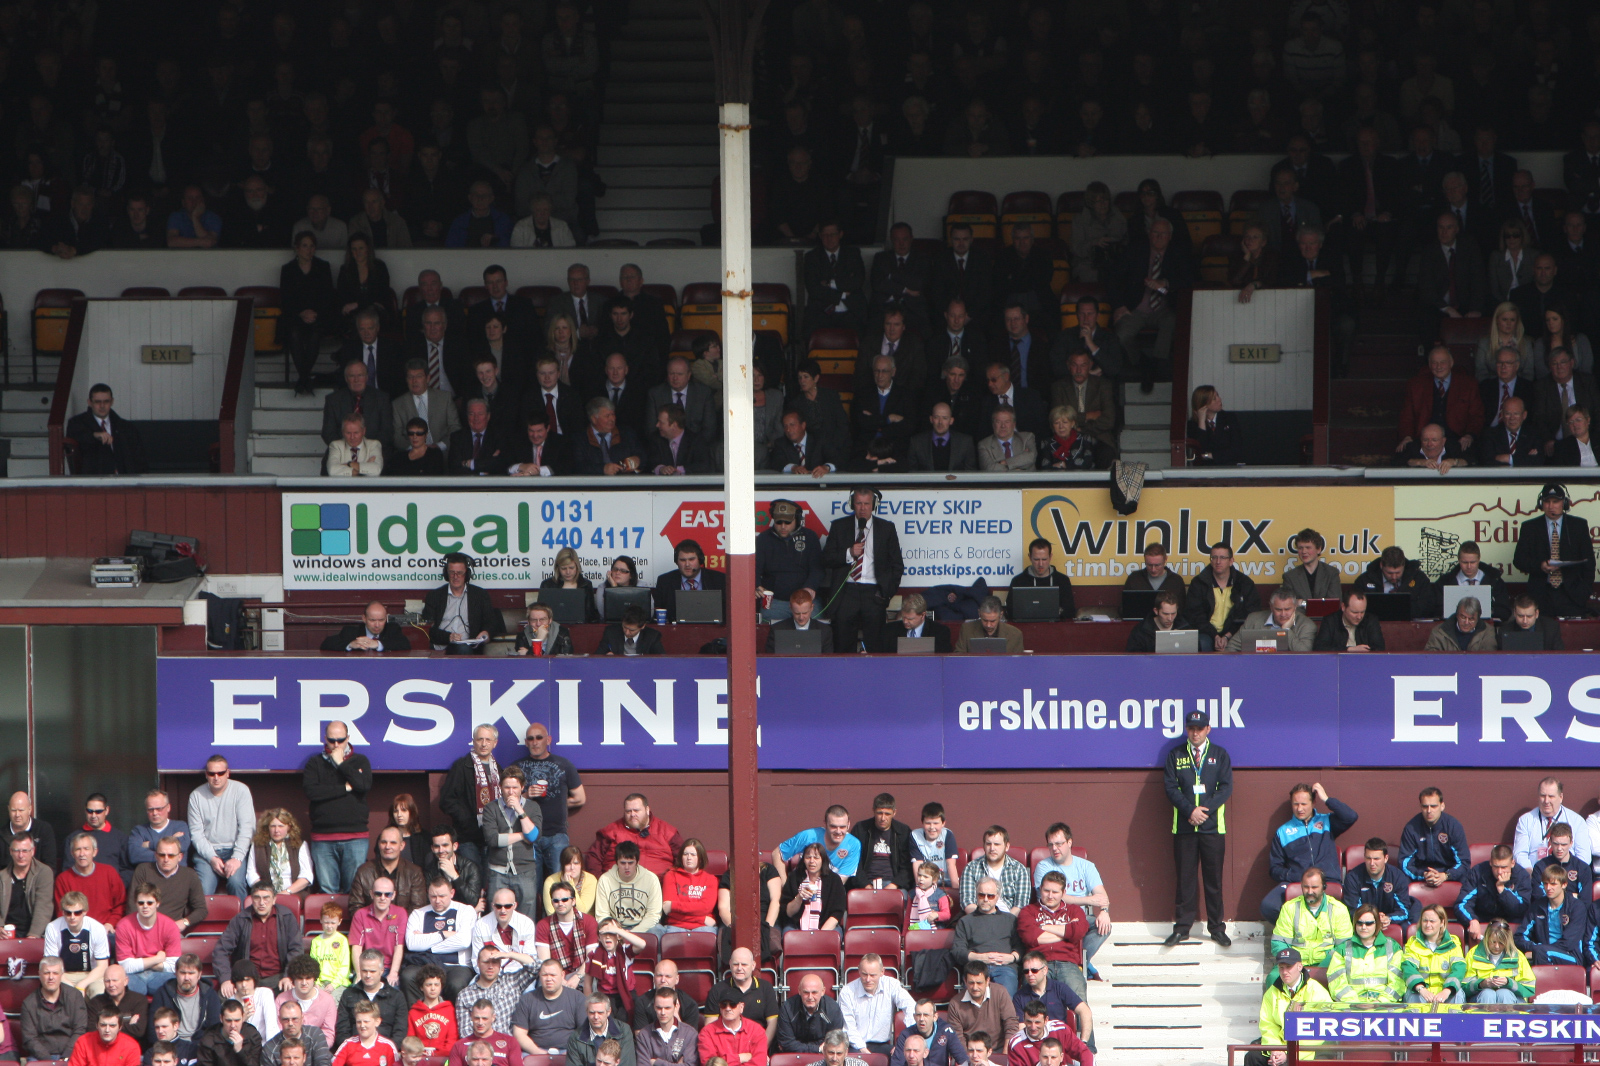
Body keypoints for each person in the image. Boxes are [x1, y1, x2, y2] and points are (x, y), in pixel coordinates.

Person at [1164, 710, 1232, 947]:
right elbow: (1171, 788)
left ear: (1208, 729)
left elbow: (1225, 788)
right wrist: (1189, 811)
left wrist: (1203, 810)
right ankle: (1182, 928)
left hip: (1213, 828)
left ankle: (1216, 928)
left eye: (1199, 728)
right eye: (1191, 728)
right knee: (1185, 881)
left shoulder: (1219, 755)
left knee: (1214, 881)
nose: (1195, 732)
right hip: (1183, 828)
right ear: (1186, 729)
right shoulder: (1175, 755)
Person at [1261, 783, 1358, 926]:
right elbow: (1275, 868)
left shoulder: (1326, 822)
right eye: (1295, 804)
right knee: (1268, 906)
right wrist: (1294, 876)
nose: (1299, 809)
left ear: (1313, 803)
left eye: (1304, 804)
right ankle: (1302, 931)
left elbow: (1351, 816)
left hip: (1328, 881)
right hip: (1297, 883)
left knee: (1353, 909)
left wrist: (1326, 798)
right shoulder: (1283, 832)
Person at [821, 488, 903, 654]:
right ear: (852, 504)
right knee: (843, 641)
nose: (863, 508)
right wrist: (849, 553)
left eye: (866, 503)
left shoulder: (886, 528)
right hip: (847, 591)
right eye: (859, 503)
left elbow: (897, 564)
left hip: (874, 592)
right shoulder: (839, 526)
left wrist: (886, 592)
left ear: (873, 505)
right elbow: (826, 559)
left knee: (874, 643)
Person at [1514, 483, 1595, 618]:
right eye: (1547, 502)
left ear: (1564, 503)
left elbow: (1589, 562)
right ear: (1541, 504)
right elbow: (1519, 560)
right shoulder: (1530, 527)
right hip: (1541, 594)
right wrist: (1540, 566)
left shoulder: (1578, 526)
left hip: (1572, 594)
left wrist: (1584, 591)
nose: (1551, 506)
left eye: (1555, 501)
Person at [1244, 948, 1329, 1066]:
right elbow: (1268, 1025)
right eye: (1281, 967)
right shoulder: (1272, 992)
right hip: (1280, 1046)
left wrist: (1289, 1054)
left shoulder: (1317, 991)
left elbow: (1319, 1032)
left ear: (1300, 966)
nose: (1284, 972)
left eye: (1289, 967)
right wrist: (1275, 1049)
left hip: (1305, 1050)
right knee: (1252, 1057)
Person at [1397, 345, 1486, 456]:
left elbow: (1476, 415)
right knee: (1403, 454)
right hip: (1424, 440)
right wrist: (1407, 437)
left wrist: (1470, 435)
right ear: (1429, 365)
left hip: (1457, 439)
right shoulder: (1416, 385)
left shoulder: (1468, 384)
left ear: (1451, 363)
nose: (1438, 367)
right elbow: (1407, 416)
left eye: (1443, 362)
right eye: (1434, 363)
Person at [215, 883, 300, 996]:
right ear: (251, 899)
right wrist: (226, 979)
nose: (261, 903)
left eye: (266, 898)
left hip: (278, 978)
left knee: (296, 995)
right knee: (222, 996)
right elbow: (221, 950)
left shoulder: (287, 917)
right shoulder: (241, 919)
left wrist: (289, 975)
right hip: (246, 980)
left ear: (274, 899)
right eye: (257, 898)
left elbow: (296, 949)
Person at [1015, 874, 1088, 1003]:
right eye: (1046, 890)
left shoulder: (1074, 911)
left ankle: (1080, 1024)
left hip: (1068, 963)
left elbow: (1079, 932)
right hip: (1037, 963)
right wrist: (1067, 931)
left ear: (1063, 892)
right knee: (1032, 1003)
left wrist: (1042, 927)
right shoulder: (1028, 911)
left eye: (1055, 892)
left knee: (1079, 1000)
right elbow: (1030, 937)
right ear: (1040, 889)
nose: (1050, 896)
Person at [481, 768, 541, 921]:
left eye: (515, 787)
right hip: (498, 871)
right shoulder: (491, 808)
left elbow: (534, 836)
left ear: (522, 787)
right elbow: (493, 840)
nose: (511, 792)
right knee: (497, 916)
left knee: (526, 916)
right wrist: (522, 835)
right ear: (500, 787)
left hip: (525, 871)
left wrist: (520, 810)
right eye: (507, 787)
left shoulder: (532, 807)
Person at [754, 500, 825, 624]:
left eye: (787, 522)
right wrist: (756, 585)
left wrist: (810, 587)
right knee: (765, 628)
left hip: (805, 599)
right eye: (778, 522)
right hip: (775, 600)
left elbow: (817, 568)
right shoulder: (764, 539)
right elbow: (754, 567)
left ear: (797, 520)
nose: (783, 526)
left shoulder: (810, 537)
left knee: (817, 628)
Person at [1268, 868, 1351, 971]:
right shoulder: (1289, 908)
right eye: (1306, 887)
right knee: (1273, 977)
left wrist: (1324, 966)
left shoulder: (1339, 909)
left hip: (1329, 964)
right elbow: (1279, 943)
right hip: (1295, 964)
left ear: (1324, 887)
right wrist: (1291, 963)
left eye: (1314, 887)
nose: (1310, 891)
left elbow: (1345, 945)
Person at [422, 553, 504, 652]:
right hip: (439, 647)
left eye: (460, 573)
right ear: (446, 573)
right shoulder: (434, 596)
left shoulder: (480, 595)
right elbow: (427, 628)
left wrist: (486, 633)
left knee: (463, 650)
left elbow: (491, 622)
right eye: (452, 572)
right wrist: (448, 637)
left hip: (467, 647)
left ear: (467, 574)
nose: (455, 577)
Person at [586, 794, 682, 878]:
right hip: (618, 888)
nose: (632, 814)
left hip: (659, 889)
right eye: (628, 811)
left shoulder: (667, 831)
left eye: (636, 810)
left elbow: (683, 859)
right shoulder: (610, 832)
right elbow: (594, 858)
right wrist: (600, 884)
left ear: (647, 810)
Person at [1184, 543, 1255, 654]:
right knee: (1201, 643)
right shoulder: (1199, 583)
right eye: (1214, 557)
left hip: (1236, 632)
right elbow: (1195, 615)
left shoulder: (1244, 583)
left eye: (1222, 557)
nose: (1218, 561)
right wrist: (1215, 636)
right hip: (1206, 633)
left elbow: (1250, 614)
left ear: (1231, 561)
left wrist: (1227, 636)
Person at [836, 955, 912, 1056]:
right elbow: (848, 1027)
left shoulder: (892, 985)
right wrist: (863, 1050)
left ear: (882, 972)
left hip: (883, 1045)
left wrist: (908, 1039)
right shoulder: (847, 992)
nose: (868, 979)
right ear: (859, 970)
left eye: (872, 975)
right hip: (854, 1046)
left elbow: (911, 1008)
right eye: (864, 974)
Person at [1326, 905, 1403, 1003]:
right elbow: (1336, 983)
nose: (1363, 927)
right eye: (1359, 923)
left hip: (1385, 1007)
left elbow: (1398, 982)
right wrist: (1355, 1004)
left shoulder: (1393, 947)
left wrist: (1381, 1002)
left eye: (1369, 924)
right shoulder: (1342, 949)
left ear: (1377, 924)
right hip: (1351, 1007)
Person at [65, 385, 148, 474]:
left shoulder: (126, 427)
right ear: (89, 402)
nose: (102, 406)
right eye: (97, 402)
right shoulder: (77, 423)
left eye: (106, 401)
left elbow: (139, 458)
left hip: (124, 481)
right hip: (92, 481)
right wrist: (94, 435)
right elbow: (75, 438)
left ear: (112, 402)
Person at [1513, 775, 1591, 870]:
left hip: (1567, 876)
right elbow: (1520, 854)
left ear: (1561, 797)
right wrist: (1531, 873)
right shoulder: (1525, 820)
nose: (1546, 801)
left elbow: (1584, 856)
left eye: (1551, 796)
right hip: (1535, 876)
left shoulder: (1576, 821)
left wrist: (1567, 876)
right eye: (1543, 796)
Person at [114, 884, 181, 995]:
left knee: (173, 986)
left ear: (157, 903)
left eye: (150, 903)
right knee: (127, 989)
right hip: (133, 976)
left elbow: (174, 965)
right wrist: (157, 959)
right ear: (136, 904)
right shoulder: (123, 926)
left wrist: (140, 963)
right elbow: (125, 966)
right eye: (141, 903)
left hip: (160, 974)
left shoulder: (170, 926)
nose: (145, 906)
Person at [24, 955, 91, 1060]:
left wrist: (66, 1056)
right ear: (39, 974)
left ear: (61, 975)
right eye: (47, 973)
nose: (51, 977)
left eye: (55, 973)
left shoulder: (74, 997)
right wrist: (49, 1061)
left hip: (71, 1053)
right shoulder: (29, 1003)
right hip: (41, 1057)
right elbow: (30, 1038)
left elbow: (80, 1030)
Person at [1400, 788, 1469, 888]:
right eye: (1425, 806)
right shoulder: (1411, 828)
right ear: (1420, 807)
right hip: (1422, 873)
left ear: (1442, 806)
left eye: (1433, 806)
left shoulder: (1453, 826)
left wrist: (1445, 875)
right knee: (1400, 880)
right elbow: (1404, 863)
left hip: (1447, 872)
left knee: (1468, 879)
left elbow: (1464, 862)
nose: (1429, 811)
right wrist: (1424, 875)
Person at [47, 890, 112, 996]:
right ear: (62, 912)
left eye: (77, 913)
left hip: (91, 974)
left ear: (85, 912)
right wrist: (71, 988)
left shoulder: (97, 928)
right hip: (63, 975)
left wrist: (81, 985)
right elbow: (52, 966)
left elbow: (102, 967)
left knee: (99, 991)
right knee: (53, 988)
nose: (72, 917)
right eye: (68, 913)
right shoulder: (53, 928)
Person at [515, 960, 587, 1053]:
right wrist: (538, 1052)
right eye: (545, 975)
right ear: (540, 975)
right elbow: (519, 1033)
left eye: (553, 975)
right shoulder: (527, 999)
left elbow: (585, 1032)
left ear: (562, 975)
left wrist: (572, 1053)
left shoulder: (577, 998)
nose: (549, 979)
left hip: (569, 1051)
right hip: (535, 1052)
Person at [945, 964, 1018, 1055]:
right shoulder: (955, 1003)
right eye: (971, 983)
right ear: (965, 981)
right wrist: (970, 1058)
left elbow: (1011, 1024)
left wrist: (1005, 1055)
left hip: (998, 1050)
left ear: (987, 981)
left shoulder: (1000, 993)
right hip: (971, 1053)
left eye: (979, 983)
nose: (975, 987)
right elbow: (957, 1037)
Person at [335, 952, 404, 1045]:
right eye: (364, 971)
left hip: (386, 1053)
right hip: (354, 1051)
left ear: (382, 971)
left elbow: (400, 1031)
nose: (368, 975)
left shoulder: (396, 996)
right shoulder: (348, 994)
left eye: (372, 971)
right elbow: (342, 1029)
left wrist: (387, 1051)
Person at [56, 834, 125, 927]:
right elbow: (62, 911)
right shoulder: (63, 879)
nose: (82, 854)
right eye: (78, 849)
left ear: (95, 852)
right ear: (72, 853)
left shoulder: (109, 873)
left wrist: (110, 923)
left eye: (86, 849)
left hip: (107, 929)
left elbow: (120, 904)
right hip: (76, 930)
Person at [349, 829, 426, 913]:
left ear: (402, 845)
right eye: (383, 842)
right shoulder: (363, 872)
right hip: (372, 925)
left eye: (393, 843)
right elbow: (355, 907)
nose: (387, 847)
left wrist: (397, 924)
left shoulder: (414, 872)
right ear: (379, 844)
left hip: (404, 925)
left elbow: (417, 909)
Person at [1343, 839, 1413, 930]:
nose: (1372, 863)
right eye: (1368, 858)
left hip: (1388, 921)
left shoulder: (1397, 877)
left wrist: (1388, 918)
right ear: (1364, 857)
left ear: (1386, 858)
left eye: (1376, 859)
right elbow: (1352, 910)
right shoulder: (1353, 878)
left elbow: (1404, 910)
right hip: (1364, 924)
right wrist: (1374, 918)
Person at [959, 827, 1030, 915]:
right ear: (984, 846)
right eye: (988, 844)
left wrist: (1005, 921)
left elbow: (1021, 904)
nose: (992, 848)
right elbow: (967, 902)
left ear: (1007, 846)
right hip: (979, 919)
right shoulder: (971, 868)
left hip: (1008, 920)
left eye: (997, 844)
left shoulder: (1019, 870)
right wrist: (984, 920)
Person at [593, 842, 661, 934]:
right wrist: (617, 931)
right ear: (616, 862)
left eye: (630, 863)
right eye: (623, 863)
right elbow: (602, 915)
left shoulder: (651, 879)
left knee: (657, 930)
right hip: (616, 927)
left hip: (643, 927)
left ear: (637, 862)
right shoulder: (605, 880)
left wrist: (630, 934)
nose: (627, 867)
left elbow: (653, 915)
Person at [651, 541, 726, 624]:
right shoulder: (665, 581)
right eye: (683, 560)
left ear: (700, 560)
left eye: (691, 559)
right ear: (676, 561)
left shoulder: (719, 580)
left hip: (711, 629)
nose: (687, 564)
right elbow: (658, 616)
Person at [1352, 546, 1437, 619]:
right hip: (1373, 626)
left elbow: (1429, 605)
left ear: (1404, 565)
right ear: (1381, 565)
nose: (1394, 577)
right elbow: (1354, 606)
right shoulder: (1365, 580)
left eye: (1398, 573)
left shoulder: (1419, 578)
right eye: (1389, 573)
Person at [244, 810, 313, 899]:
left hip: (293, 894)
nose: (276, 830)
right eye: (273, 826)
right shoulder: (257, 846)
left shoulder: (300, 845)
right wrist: (266, 892)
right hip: (265, 896)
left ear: (289, 827)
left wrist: (286, 892)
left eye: (281, 826)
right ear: (267, 827)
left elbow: (307, 876)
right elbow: (251, 874)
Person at [151, 955, 221, 1042]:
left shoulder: (210, 995)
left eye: (191, 973)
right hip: (171, 1045)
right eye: (183, 973)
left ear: (199, 975)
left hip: (200, 1046)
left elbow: (214, 1028)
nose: (186, 978)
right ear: (176, 973)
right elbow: (153, 1029)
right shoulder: (162, 994)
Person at [1464, 920, 1534, 1004]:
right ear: (1487, 938)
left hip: (1511, 999)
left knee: (1504, 993)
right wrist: (1481, 984)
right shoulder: (1473, 954)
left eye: (1501, 943)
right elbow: (1464, 986)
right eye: (1493, 942)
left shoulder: (1518, 956)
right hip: (1481, 997)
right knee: (1487, 994)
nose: (1497, 946)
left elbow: (1529, 988)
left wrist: (1509, 983)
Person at [1228, 588, 1317, 653]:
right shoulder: (1253, 619)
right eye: (1278, 609)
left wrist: (1286, 631)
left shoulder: (1307, 625)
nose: (1283, 614)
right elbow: (1231, 647)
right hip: (1257, 668)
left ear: (1295, 607)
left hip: (1291, 670)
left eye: (1287, 609)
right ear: (1271, 607)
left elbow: (1305, 654)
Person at [275, 955, 338, 1047]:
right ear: (293, 980)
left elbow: (328, 1033)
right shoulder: (281, 999)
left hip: (317, 1050)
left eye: (308, 978)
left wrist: (315, 1051)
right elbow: (278, 1029)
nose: (304, 983)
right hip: (287, 1050)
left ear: (314, 979)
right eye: (300, 978)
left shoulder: (327, 1000)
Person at [780, 843, 845, 932]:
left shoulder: (834, 879)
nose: (811, 861)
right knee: (788, 933)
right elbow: (787, 912)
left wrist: (820, 935)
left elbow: (837, 912)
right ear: (803, 860)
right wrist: (799, 897)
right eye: (808, 857)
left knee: (835, 935)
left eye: (816, 858)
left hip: (826, 926)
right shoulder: (794, 877)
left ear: (823, 860)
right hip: (797, 926)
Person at [2, 832, 56, 938]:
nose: (21, 855)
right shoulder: (2, 876)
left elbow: (43, 907)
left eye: (25, 851)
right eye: (17, 851)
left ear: (33, 851)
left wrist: (33, 935)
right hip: (7, 933)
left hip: (35, 933)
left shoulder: (44, 872)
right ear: (10, 851)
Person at [1006, 541, 1076, 621]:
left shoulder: (1062, 581)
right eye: (1036, 559)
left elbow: (1070, 611)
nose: (1041, 564)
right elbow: (1011, 611)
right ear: (1030, 557)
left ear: (1050, 557)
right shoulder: (1018, 581)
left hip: (1056, 628)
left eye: (1044, 559)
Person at [777, 975, 844, 1054]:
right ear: (799, 991)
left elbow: (834, 1041)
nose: (810, 997)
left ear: (823, 991)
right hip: (794, 1056)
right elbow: (786, 1043)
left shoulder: (833, 1009)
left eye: (814, 992)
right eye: (806, 992)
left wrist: (799, 1045)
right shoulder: (787, 1008)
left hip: (824, 1057)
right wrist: (817, 1049)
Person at [661, 840, 718, 931]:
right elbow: (668, 910)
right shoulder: (671, 875)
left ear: (700, 858)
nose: (689, 858)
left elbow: (706, 908)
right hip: (676, 926)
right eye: (685, 854)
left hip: (703, 928)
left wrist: (674, 905)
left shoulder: (711, 879)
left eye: (693, 854)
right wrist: (701, 919)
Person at [632, 961, 703, 1034]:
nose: (663, 980)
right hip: (652, 1044)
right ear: (653, 978)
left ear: (677, 979)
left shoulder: (689, 1004)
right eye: (659, 976)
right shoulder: (642, 1002)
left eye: (668, 976)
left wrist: (676, 1019)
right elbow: (640, 1036)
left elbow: (690, 1039)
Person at [636, 987, 699, 1066]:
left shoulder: (690, 1034)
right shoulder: (644, 1035)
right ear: (654, 1007)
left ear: (676, 1007)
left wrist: (656, 1063)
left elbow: (691, 1065)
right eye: (659, 1008)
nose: (663, 1012)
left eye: (667, 1008)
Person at [697, 994, 765, 1066]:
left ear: (741, 1007)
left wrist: (724, 1061)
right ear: (720, 1007)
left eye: (733, 1004)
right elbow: (709, 1063)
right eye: (724, 1005)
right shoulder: (707, 1032)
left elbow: (759, 1063)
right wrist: (739, 1058)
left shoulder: (756, 1030)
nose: (728, 1008)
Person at [92, 965, 149, 1048]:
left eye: (115, 980)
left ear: (126, 981)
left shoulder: (139, 1000)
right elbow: (92, 1030)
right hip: (102, 1049)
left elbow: (139, 1031)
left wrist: (105, 1028)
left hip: (130, 1049)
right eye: (107, 981)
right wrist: (128, 1024)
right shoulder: (95, 1002)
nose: (111, 984)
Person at [1312, 590, 1385, 652]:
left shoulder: (1371, 620)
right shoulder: (1330, 621)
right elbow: (1320, 648)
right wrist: (1349, 649)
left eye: (1362, 612)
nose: (1359, 617)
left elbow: (1379, 648)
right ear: (1343, 607)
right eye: (1354, 612)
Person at [567, 998, 633, 1066]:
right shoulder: (575, 1037)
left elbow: (627, 1063)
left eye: (600, 1013)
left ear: (609, 1011)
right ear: (586, 1012)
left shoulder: (623, 1030)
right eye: (592, 1012)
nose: (596, 1017)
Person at [1279, 530, 1341, 601]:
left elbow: (1334, 603)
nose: (1304, 551)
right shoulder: (1290, 577)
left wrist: (1302, 602)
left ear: (1318, 549)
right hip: (1300, 613)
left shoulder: (1332, 573)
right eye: (1300, 548)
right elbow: (1288, 604)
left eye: (1308, 547)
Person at [332, 1000, 398, 1066]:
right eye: (359, 1022)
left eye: (366, 1021)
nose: (362, 1025)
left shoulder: (388, 1046)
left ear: (377, 1022)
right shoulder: (348, 1044)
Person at [3, 792, 59, 871]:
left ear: (30, 809)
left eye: (21, 810)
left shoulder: (44, 830)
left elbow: (50, 866)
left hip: (39, 881)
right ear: (8, 809)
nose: (17, 814)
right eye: (13, 810)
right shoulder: (2, 835)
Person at [71, 1006, 142, 1066]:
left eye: (112, 1026)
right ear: (97, 1025)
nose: (107, 1030)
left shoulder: (131, 1046)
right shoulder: (83, 1042)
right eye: (103, 1025)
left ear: (120, 1027)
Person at [267, 1001, 333, 1066]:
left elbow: (324, 1062)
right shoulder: (269, 1048)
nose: (290, 1023)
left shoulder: (315, 1035)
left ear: (302, 1018)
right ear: (279, 1019)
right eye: (286, 1019)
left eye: (295, 1019)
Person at [1424, 595, 1498, 651]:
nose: (1466, 622)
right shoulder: (1439, 631)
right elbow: (1430, 659)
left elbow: (1489, 660)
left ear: (1478, 618)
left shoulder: (1488, 632)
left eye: (1471, 619)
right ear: (1457, 614)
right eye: (1463, 617)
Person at [882, 594, 952, 653]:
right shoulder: (889, 630)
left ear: (923, 615)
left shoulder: (940, 632)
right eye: (903, 617)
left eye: (910, 619)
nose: (905, 621)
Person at [954, 597, 1025, 654]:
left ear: (1000, 615)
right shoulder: (966, 629)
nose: (988, 625)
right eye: (985, 620)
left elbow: (1018, 662)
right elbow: (958, 656)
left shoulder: (1015, 634)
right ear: (979, 614)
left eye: (992, 621)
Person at [1500, 594, 1565, 650]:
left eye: (1529, 616)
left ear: (1536, 614)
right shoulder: (1505, 631)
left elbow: (1559, 656)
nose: (1525, 621)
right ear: (1514, 613)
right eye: (1520, 616)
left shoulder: (1551, 628)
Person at [596, 605, 665, 656]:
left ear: (642, 626)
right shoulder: (611, 632)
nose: (627, 632)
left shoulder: (652, 636)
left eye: (632, 630)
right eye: (625, 627)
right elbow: (597, 656)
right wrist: (605, 656)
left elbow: (661, 660)